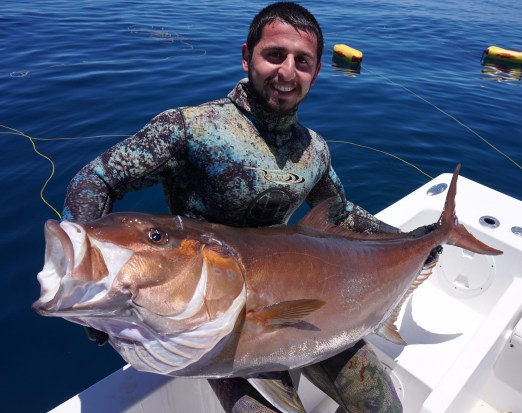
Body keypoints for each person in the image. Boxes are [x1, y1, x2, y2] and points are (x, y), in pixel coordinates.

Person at [63, 3, 439, 412]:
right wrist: (87, 274)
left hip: (296, 301)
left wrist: (412, 240)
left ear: (315, 72)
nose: (287, 72)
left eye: (302, 61)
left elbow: (340, 213)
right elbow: (95, 179)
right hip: (211, 324)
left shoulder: (313, 149)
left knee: (381, 406)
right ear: (247, 56)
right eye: (274, 55)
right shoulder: (191, 128)